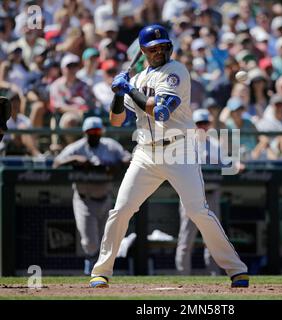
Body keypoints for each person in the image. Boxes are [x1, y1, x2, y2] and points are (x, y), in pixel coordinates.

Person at [89, 24, 249, 288]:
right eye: (153, 48)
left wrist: (128, 89)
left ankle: (236, 269)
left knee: (198, 211)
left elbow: (160, 112)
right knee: (121, 210)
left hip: (179, 150)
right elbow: (116, 121)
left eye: (163, 46)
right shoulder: (138, 79)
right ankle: (101, 271)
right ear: (143, 51)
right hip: (145, 153)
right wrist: (117, 95)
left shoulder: (176, 71)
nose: (159, 51)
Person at [53, 117, 131, 275]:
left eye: (97, 131)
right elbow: (56, 163)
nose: (94, 135)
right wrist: (75, 159)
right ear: (85, 133)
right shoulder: (77, 147)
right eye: (91, 132)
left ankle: (101, 273)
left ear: (101, 132)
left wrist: (117, 165)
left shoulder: (110, 145)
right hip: (84, 199)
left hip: (105, 197)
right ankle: (91, 270)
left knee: (105, 240)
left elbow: (128, 157)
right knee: (90, 242)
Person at [175, 109, 221, 276]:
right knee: (186, 238)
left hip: (211, 194)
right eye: (199, 124)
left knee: (213, 238)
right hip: (190, 195)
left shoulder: (215, 145)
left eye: (205, 124)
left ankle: (214, 275)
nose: (202, 127)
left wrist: (236, 165)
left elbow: (225, 165)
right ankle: (182, 276)